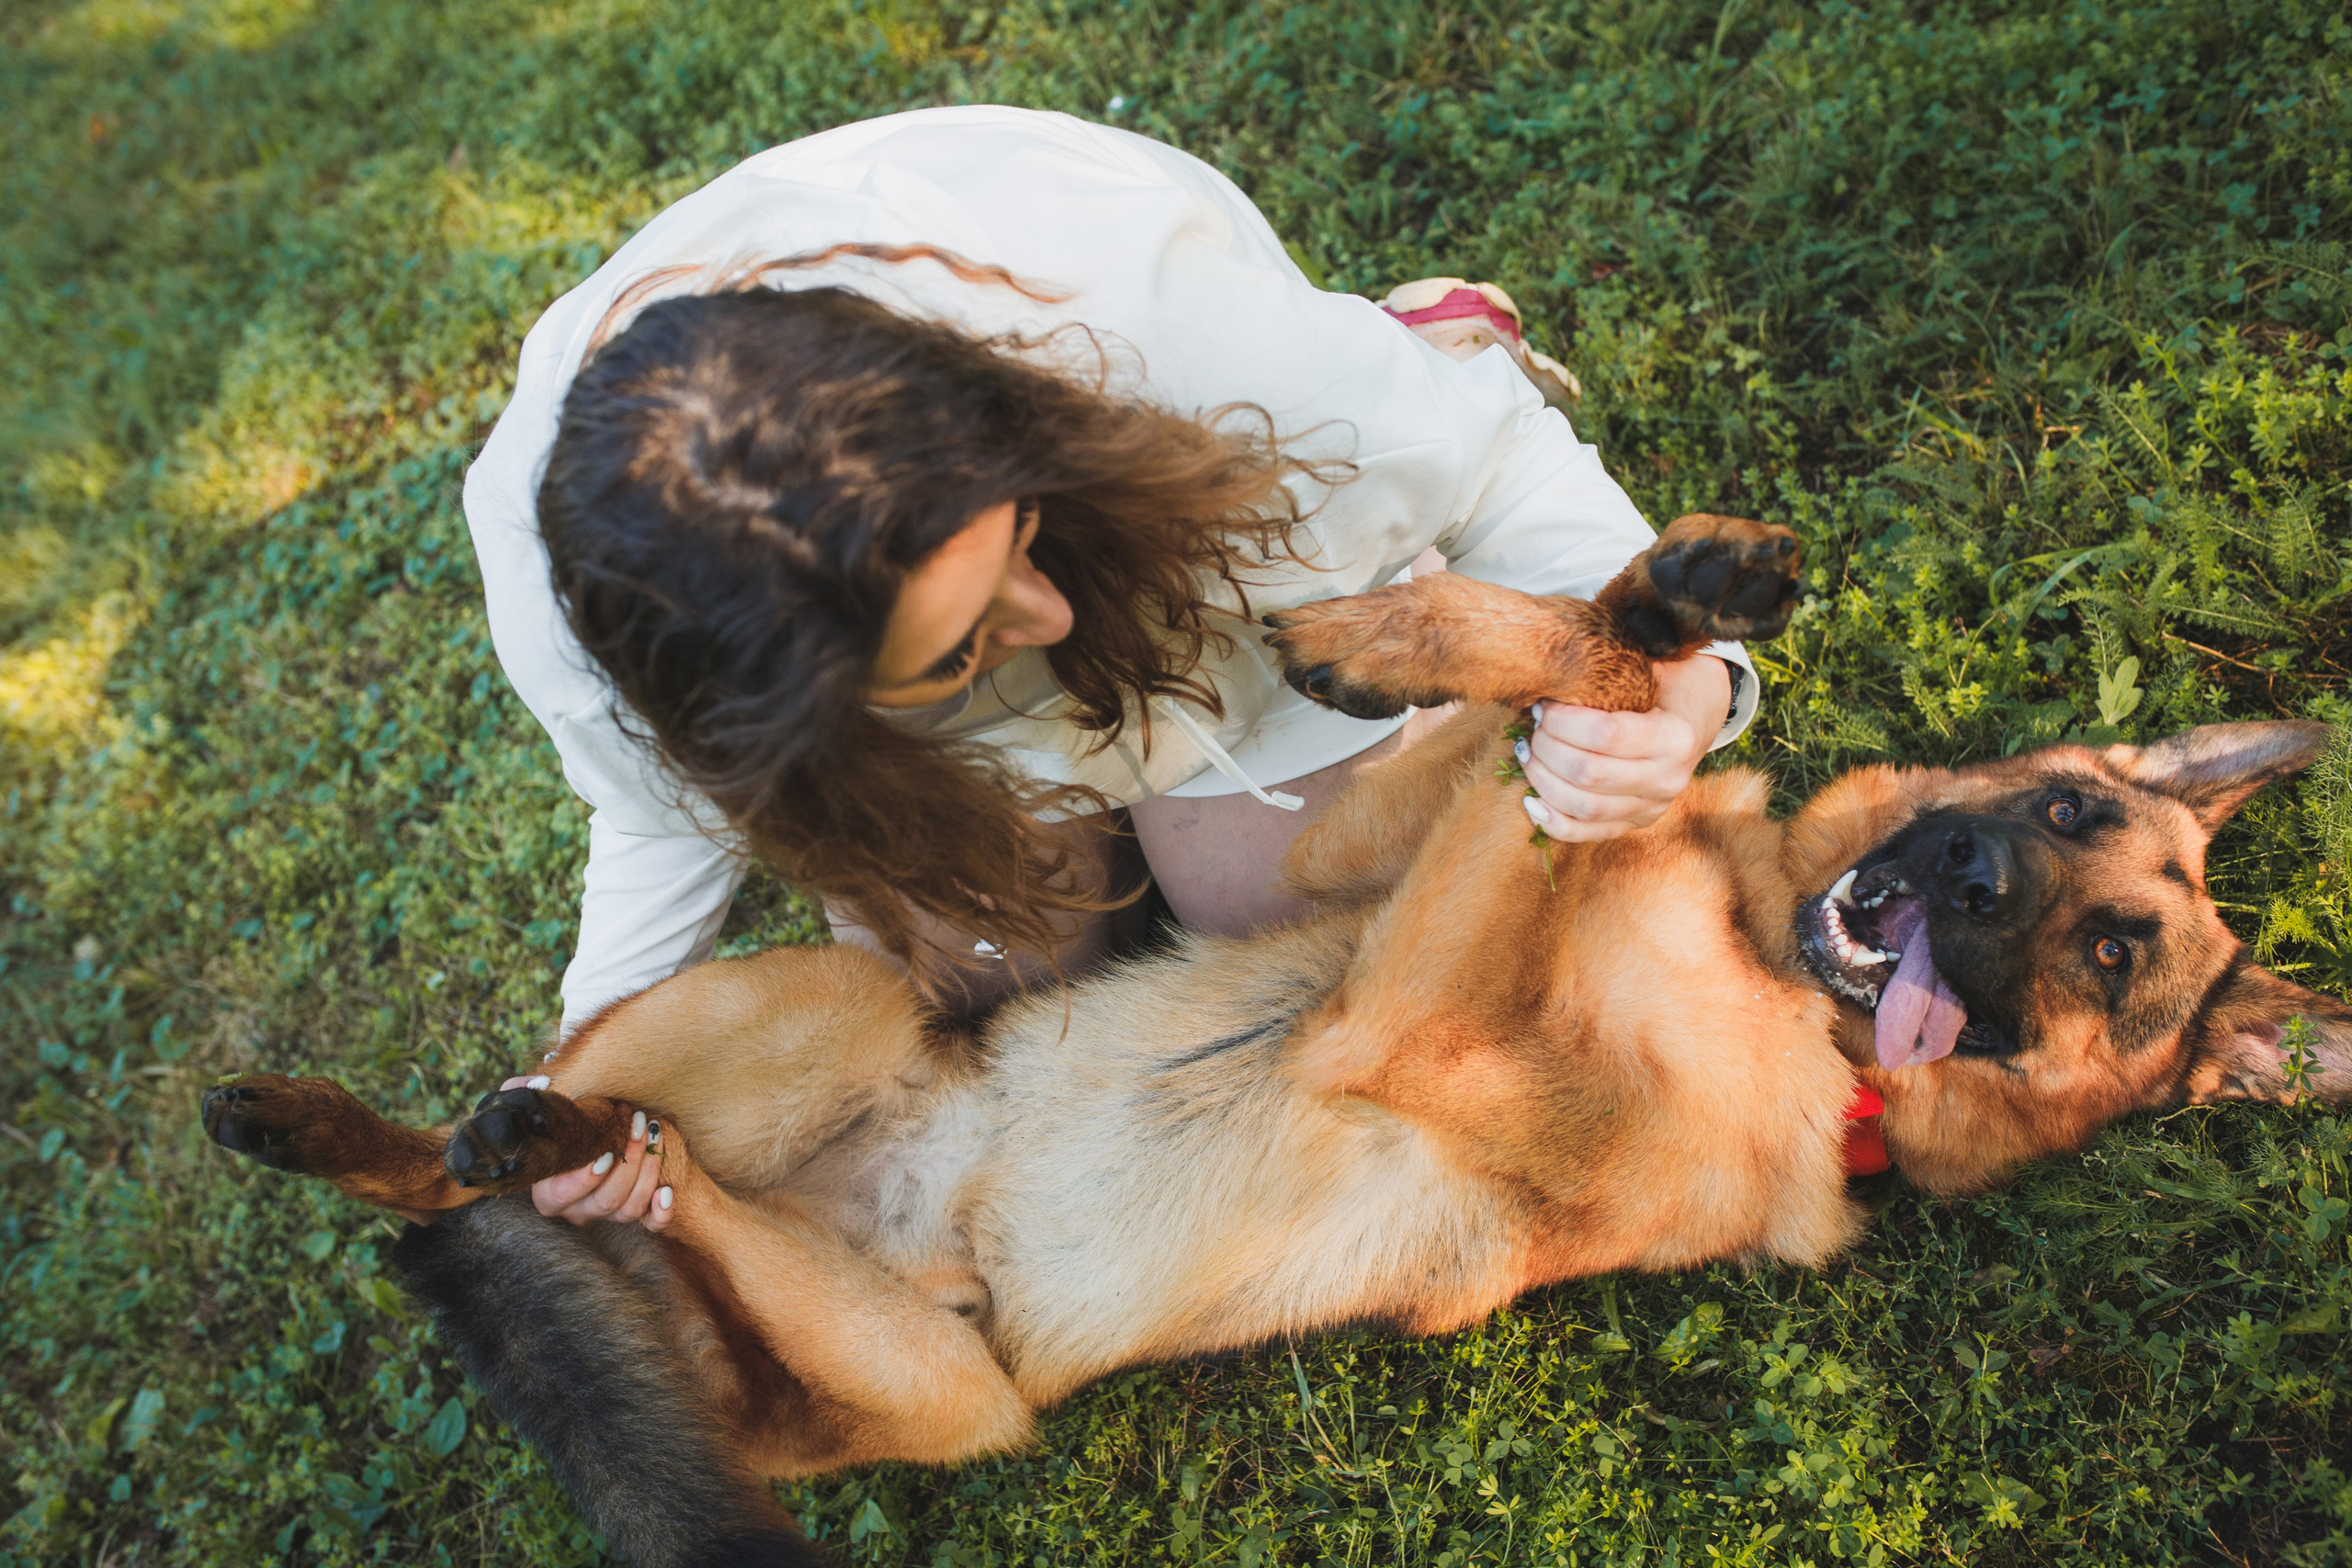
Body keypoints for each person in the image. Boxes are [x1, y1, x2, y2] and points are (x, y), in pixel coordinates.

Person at [461, 106, 1758, 1229]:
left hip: (1180, 533)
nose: (1042, 617)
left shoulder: (1166, 340)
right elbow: (665, 813)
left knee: (1287, 925)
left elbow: (1506, 471)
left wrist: (1692, 689)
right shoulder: (590, 627)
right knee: (989, 996)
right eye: (959, 645)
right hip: (950, 646)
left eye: (1012, 539)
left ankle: (1425, 350)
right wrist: (584, 1082)